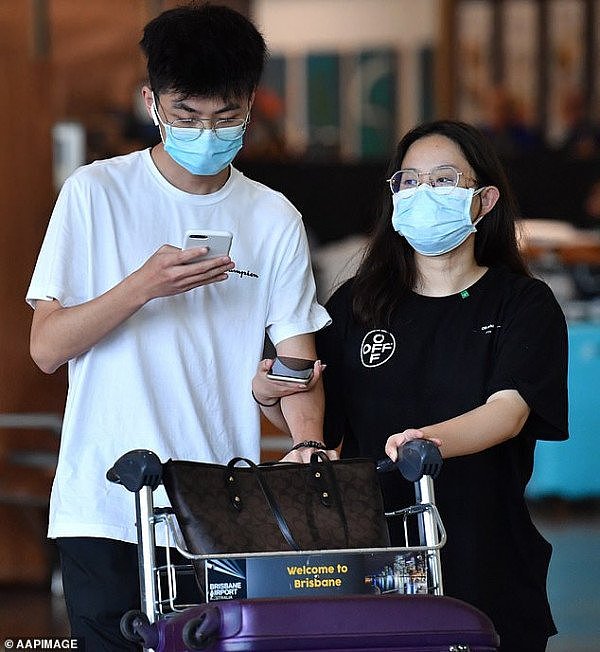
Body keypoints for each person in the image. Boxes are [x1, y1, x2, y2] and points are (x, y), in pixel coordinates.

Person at [26, 3, 330, 648]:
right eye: (186, 115)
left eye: (226, 118)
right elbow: (47, 348)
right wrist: (144, 286)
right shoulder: (95, 192)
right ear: (152, 102)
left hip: (221, 511)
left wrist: (301, 435)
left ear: (252, 105)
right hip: (103, 508)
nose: (206, 132)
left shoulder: (272, 217)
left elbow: (296, 365)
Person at [254, 120, 568, 652]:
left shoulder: (522, 305)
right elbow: (320, 424)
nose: (424, 194)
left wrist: (426, 440)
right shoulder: (357, 303)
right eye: (409, 181)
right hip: (370, 562)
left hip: (484, 557)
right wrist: (269, 398)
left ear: (483, 199)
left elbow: (508, 411)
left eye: (445, 181)